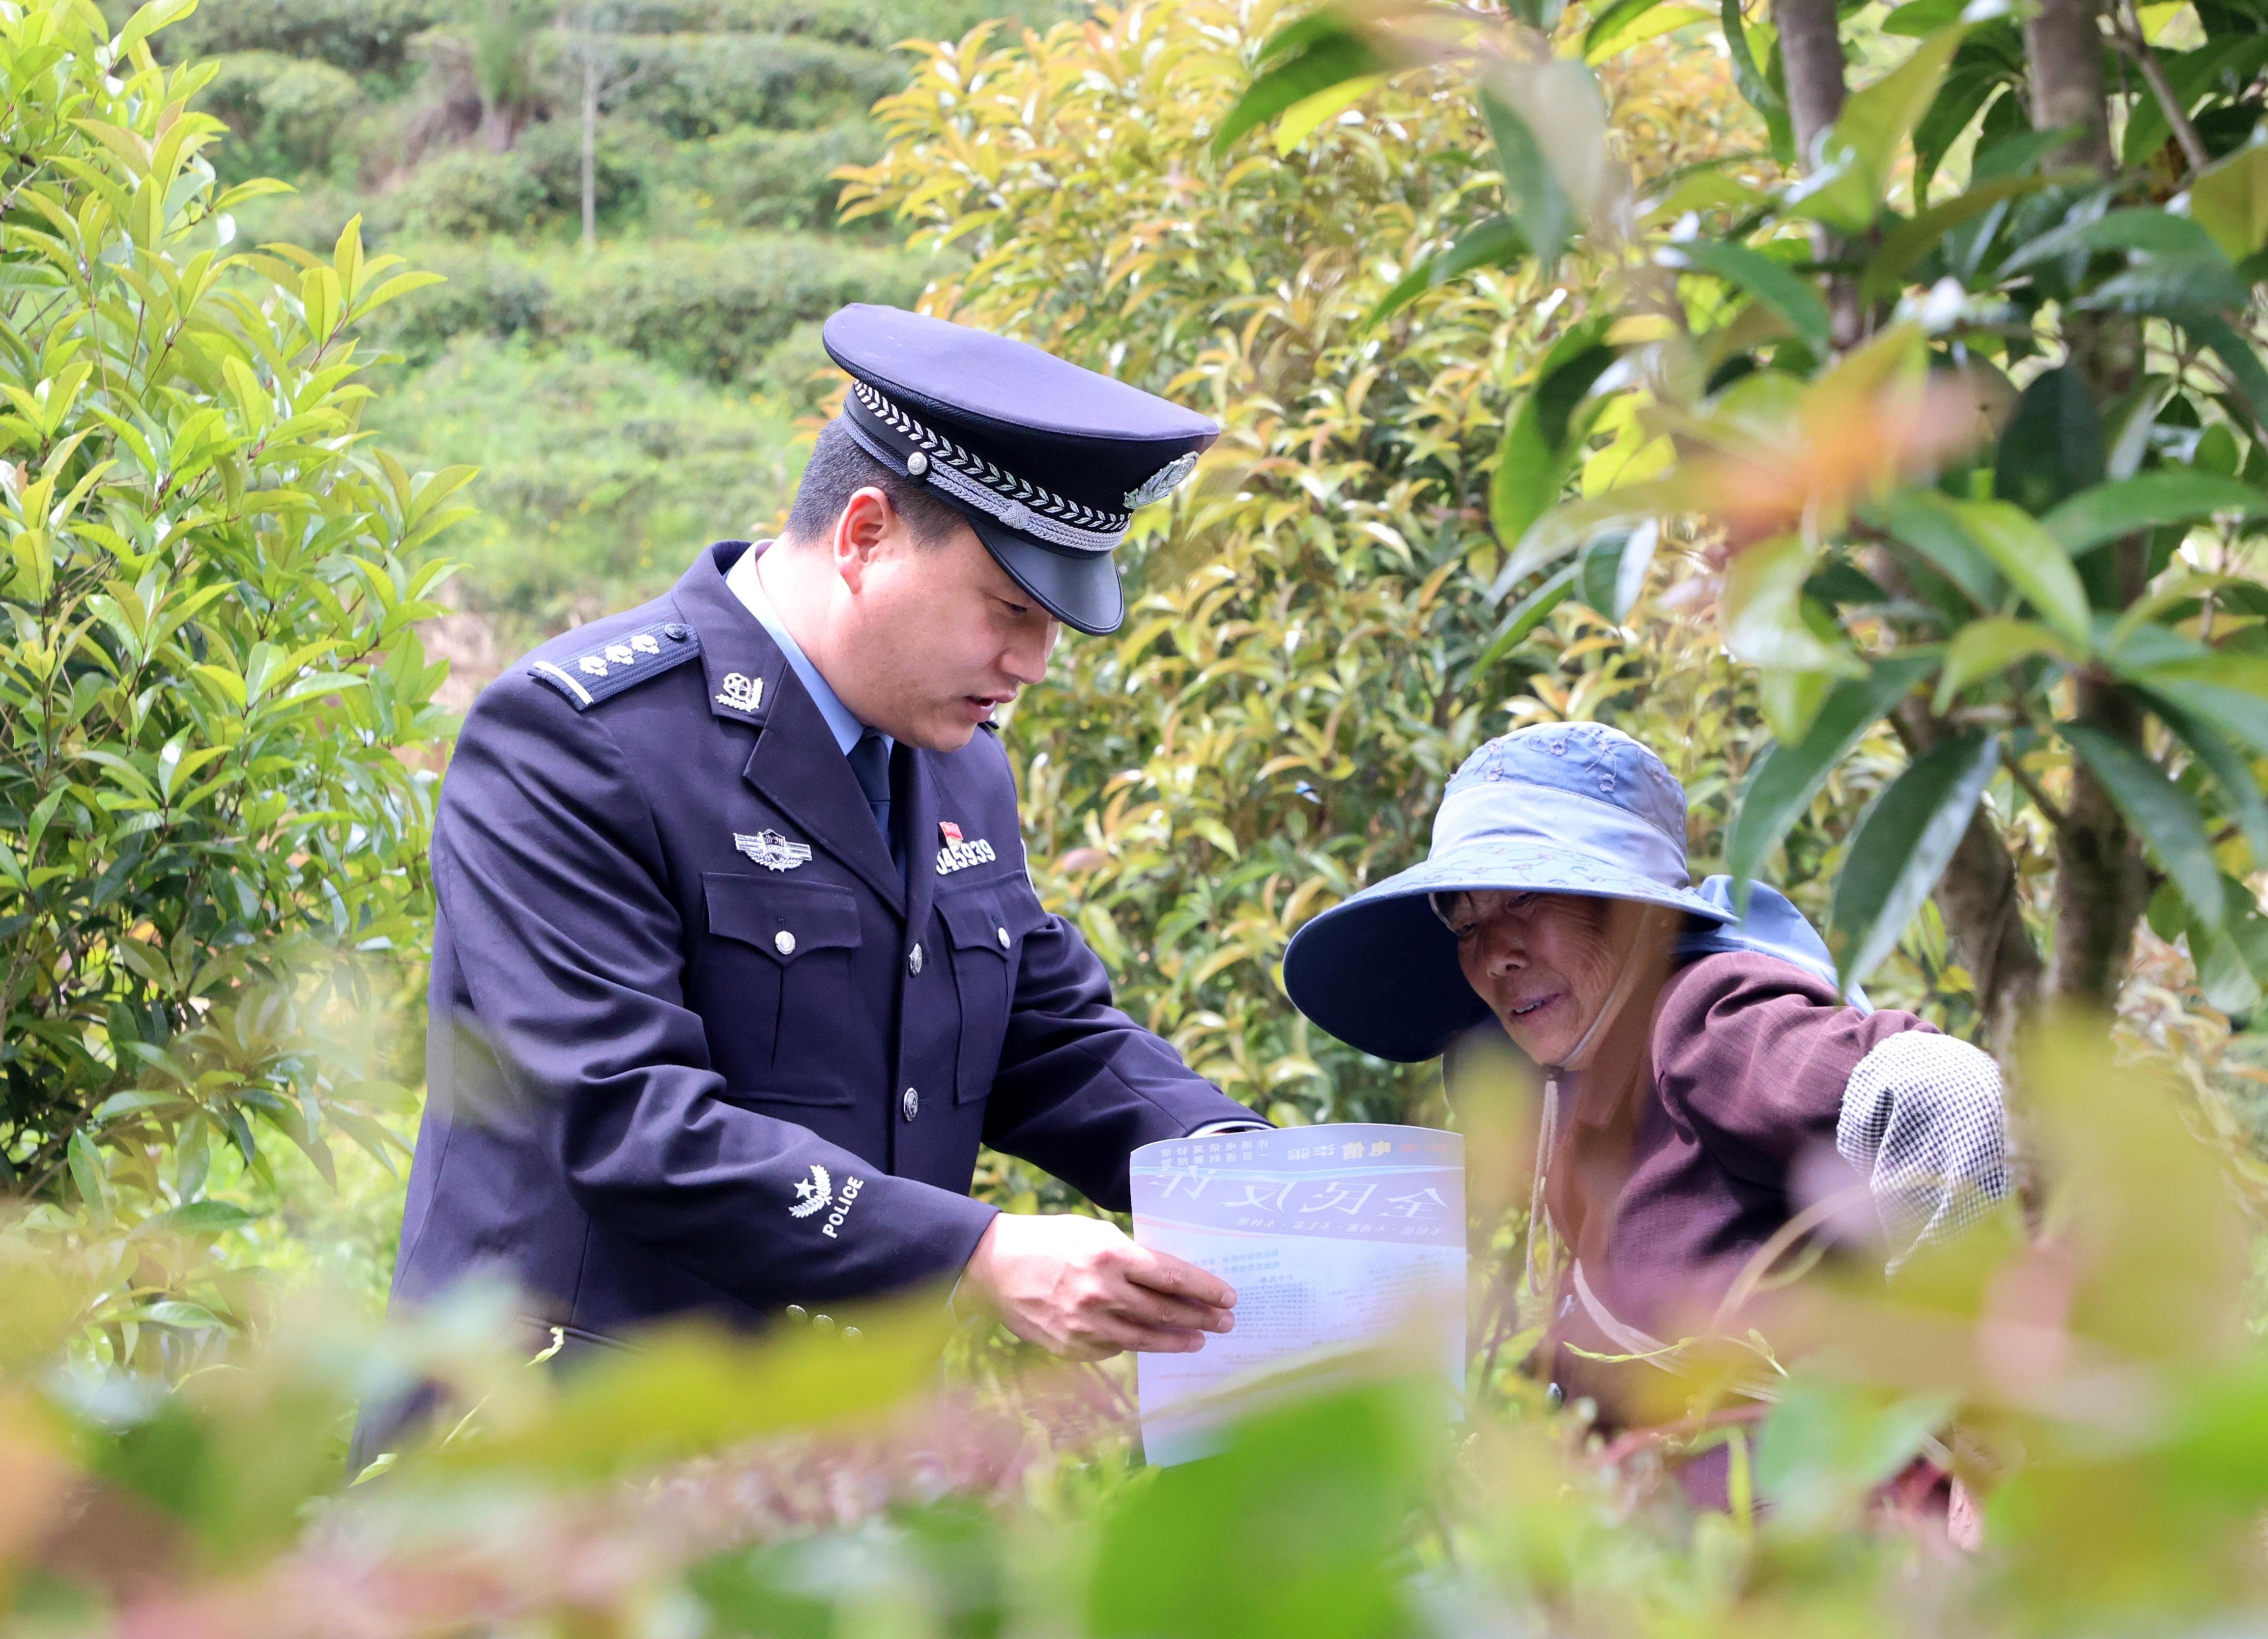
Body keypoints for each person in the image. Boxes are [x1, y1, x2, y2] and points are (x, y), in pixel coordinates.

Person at [377, 306, 1266, 1445]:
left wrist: (1235, 1168)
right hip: (562, 1457)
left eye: (1055, 625)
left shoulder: (956, 762)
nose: (1034, 665)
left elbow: (1044, 1035)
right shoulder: (580, 743)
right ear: (865, 536)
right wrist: (974, 1254)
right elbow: (627, 1118)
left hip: (830, 1466)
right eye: (1011, 609)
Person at [1280, 722, 2010, 1441]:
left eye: (1527, 898)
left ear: (1637, 913)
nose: (1496, 954)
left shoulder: (1702, 1020)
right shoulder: (1590, 1083)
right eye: (1467, 926)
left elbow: (1946, 1094)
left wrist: (1975, 1429)